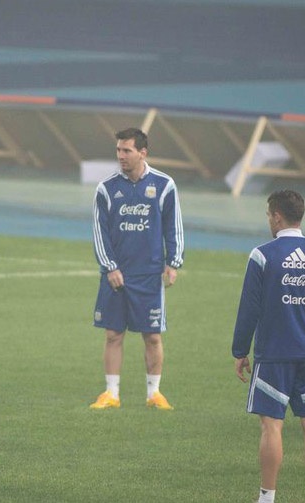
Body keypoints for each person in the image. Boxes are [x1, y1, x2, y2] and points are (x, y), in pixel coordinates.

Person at [232, 190, 305, 503]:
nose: (268, 220)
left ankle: (267, 498)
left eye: (269, 215)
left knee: (272, 428)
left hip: (273, 356)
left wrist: (240, 350)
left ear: (277, 216)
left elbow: (249, 308)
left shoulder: (262, 256)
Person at [90, 127, 184, 411]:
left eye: (127, 150)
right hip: (116, 275)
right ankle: (111, 394)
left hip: (149, 275)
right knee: (113, 334)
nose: (121, 156)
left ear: (143, 153)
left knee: (152, 336)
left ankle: (154, 393)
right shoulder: (106, 188)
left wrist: (173, 262)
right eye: (118, 150)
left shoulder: (164, 185)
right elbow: (99, 233)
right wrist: (110, 267)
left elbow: (173, 226)